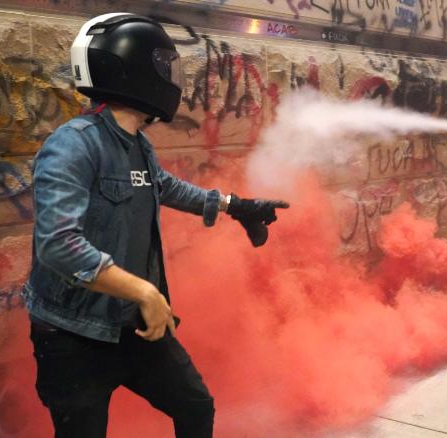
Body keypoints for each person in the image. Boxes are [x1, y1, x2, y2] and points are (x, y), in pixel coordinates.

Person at [23, 13, 288, 437]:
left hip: (134, 324)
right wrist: (144, 291)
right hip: (73, 336)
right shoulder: (73, 144)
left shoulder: (137, 145)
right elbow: (57, 245)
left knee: (195, 406)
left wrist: (234, 205)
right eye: (163, 65)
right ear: (129, 69)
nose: (171, 78)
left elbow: (164, 187)